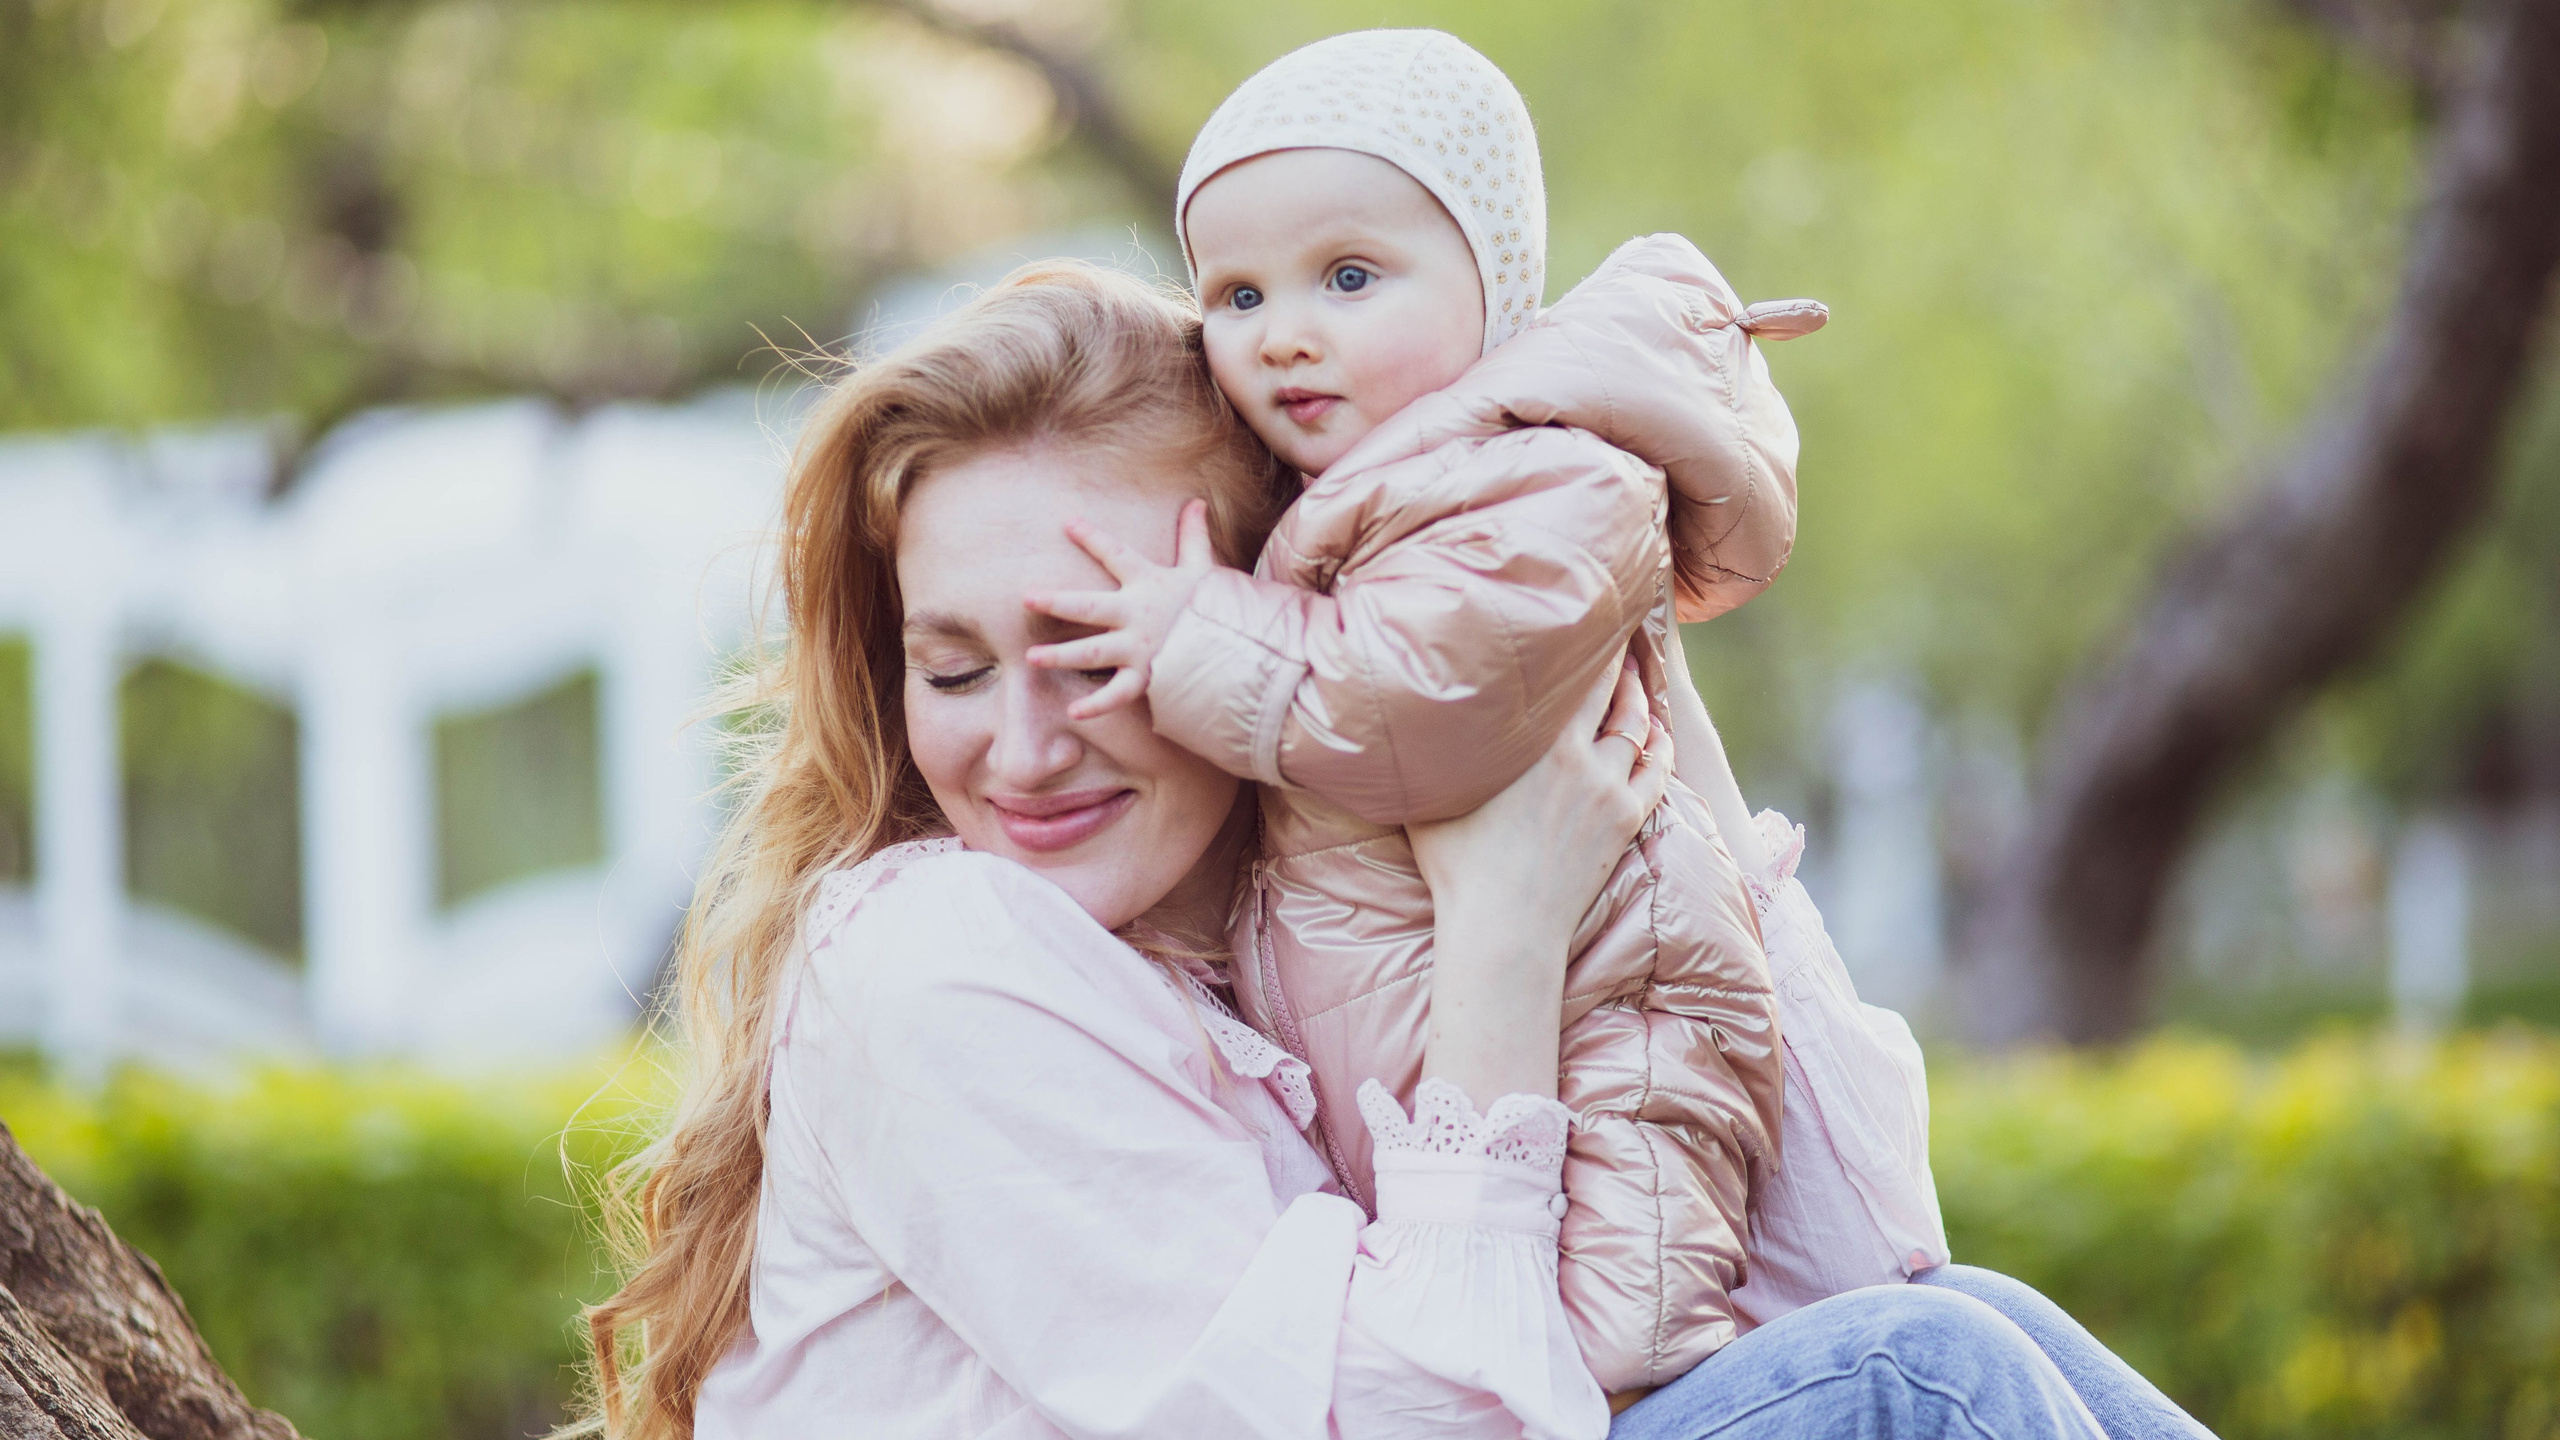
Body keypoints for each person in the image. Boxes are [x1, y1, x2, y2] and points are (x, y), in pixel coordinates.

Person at [570, 263, 2149, 1440]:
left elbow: (1859, 1247)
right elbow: (1434, 1423)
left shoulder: (1299, 938)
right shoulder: (932, 957)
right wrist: (1507, 945)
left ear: (1265, 610)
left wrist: (1640, 742)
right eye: (958, 669)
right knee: (1915, 1382)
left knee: (1953, 1327)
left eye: (1097, 646)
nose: (1024, 748)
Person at [1016, 27, 1936, 1395]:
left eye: (1347, 275)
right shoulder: (1362, 502)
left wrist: (1195, 632)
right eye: (1239, 295)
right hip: (1462, 1026)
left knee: (1645, 1328)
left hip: (1609, 1011)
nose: (1287, 333)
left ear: (1495, 287)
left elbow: (1412, 703)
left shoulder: (1553, 479)